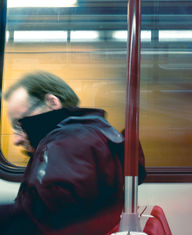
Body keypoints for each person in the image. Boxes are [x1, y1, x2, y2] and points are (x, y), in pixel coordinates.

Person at [0, 71, 145, 234]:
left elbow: (38, 224)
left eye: (20, 125)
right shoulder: (87, 134)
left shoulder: (66, 146)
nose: (15, 140)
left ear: (52, 102)